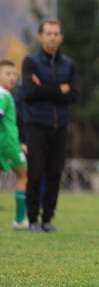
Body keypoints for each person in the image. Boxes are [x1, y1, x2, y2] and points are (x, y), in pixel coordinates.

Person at [21, 19, 78, 233]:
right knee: (35, 173)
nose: (52, 37)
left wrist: (44, 88)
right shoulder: (30, 62)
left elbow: (73, 95)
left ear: (61, 37)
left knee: (55, 173)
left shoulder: (69, 65)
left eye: (56, 34)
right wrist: (58, 90)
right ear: (40, 36)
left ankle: (47, 218)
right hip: (35, 124)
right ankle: (32, 219)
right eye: (48, 33)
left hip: (60, 126)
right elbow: (29, 93)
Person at [0, 60, 28, 230]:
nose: (12, 77)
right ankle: (19, 219)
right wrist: (15, 145)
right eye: (7, 74)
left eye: (14, 74)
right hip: (7, 144)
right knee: (23, 174)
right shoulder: (3, 95)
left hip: (8, 142)